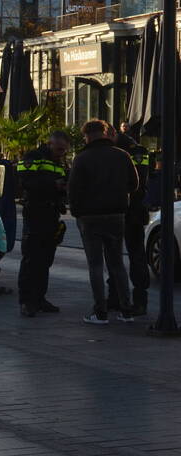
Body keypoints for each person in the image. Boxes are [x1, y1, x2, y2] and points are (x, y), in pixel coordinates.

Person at [69, 119, 138, 324]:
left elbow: (73, 190)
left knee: (95, 265)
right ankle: (126, 310)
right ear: (106, 133)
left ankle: (100, 312)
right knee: (117, 264)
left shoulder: (82, 158)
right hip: (116, 215)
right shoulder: (122, 155)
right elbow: (134, 184)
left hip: (89, 216)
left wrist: (76, 212)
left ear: (87, 136)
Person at [16, 131, 70, 317]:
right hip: (35, 212)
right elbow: (25, 181)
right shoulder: (33, 156)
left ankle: (39, 298)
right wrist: (53, 185)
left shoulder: (59, 162)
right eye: (59, 149)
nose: (62, 153)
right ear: (49, 144)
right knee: (31, 258)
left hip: (51, 213)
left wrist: (62, 192)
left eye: (64, 150)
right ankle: (26, 301)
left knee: (46, 259)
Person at [106, 129, 151, 315]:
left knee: (135, 255)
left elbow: (138, 183)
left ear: (111, 134)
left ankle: (139, 300)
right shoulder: (111, 150)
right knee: (114, 255)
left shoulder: (136, 151)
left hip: (132, 211)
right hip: (119, 210)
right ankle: (115, 297)